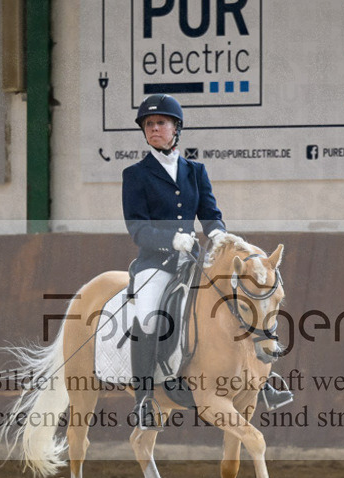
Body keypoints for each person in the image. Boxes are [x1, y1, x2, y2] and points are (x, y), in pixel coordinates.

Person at [122, 94, 293, 430]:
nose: (154, 128)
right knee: (148, 316)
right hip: (155, 264)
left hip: (195, 260)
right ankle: (144, 398)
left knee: (240, 302)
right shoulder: (135, 175)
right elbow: (137, 228)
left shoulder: (195, 171)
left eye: (160, 123)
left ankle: (261, 382)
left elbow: (211, 214)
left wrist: (217, 234)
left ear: (176, 128)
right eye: (149, 124)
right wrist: (171, 239)